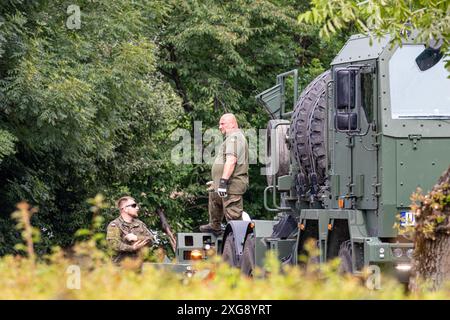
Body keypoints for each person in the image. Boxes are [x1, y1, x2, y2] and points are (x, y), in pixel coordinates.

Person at [200, 113, 249, 236]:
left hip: (232, 186)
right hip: (226, 183)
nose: (219, 127)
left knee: (234, 221)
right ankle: (215, 226)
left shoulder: (235, 138)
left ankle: (239, 242)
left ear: (232, 124)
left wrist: (223, 182)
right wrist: (217, 181)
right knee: (213, 193)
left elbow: (231, 160)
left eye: (222, 123)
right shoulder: (230, 138)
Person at [106, 196, 154, 264]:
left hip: (138, 267)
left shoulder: (140, 224)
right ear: (125, 209)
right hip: (120, 268)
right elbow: (113, 244)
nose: (137, 208)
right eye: (134, 205)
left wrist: (137, 238)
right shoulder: (115, 225)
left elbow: (151, 240)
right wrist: (132, 248)